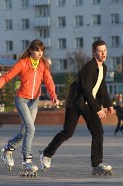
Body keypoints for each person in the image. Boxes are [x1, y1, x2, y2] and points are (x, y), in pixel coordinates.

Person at [39, 40, 114, 175]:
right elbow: (86, 90)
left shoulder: (103, 68)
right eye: (100, 51)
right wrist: (97, 108)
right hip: (76, 103)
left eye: (105, 50)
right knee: (67, 132)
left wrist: (108, 104)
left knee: (98, 131)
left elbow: (101, 87)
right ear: (93, 53)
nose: (103, 53)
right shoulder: (89, 67)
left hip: (89, 104)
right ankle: (46, 154)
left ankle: (97, 163)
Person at [0, 39, 59, 175]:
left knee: (24, 132)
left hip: (34, 101)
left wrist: (53, 96)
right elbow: (6, 77)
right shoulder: (23, 63)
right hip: (22, 100)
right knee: (31, 128)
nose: (40, 53)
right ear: (30, 50)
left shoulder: (42, 65)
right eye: (37, 50)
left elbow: (49, 81)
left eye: (42, 51)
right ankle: (27, 160)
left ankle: (8, 149)